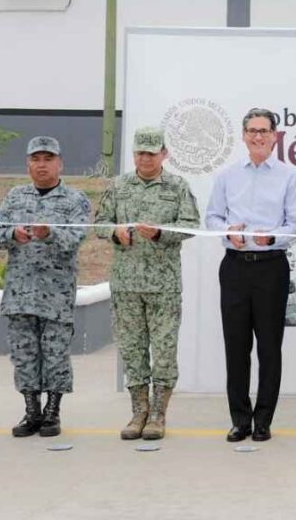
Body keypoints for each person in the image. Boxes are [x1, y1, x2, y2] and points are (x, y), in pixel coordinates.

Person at [94, 127, 201, 440]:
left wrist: (160, 233)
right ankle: (138, 411)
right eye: (140, 152)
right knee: (132, 350)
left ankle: (158, 414)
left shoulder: (177, 186)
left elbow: (192, 226)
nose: (145, 158)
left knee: (164, 352)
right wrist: (115, 233)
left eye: (151, 153)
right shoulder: (119, 186)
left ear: (164, 154)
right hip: (126, 284)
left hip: (163, 285)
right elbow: (99, 223)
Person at [206, 108, 296, 443]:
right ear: (244, 136)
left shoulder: (289, 177)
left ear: (275, 136)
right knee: (236, 347)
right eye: (252, 130)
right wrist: (226, 232)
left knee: (269, 348)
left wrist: (273, 237)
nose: (258, 136)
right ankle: (239, 420)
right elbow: (213, 217)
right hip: (234, 266)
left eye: (264, 130)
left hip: (271, 267)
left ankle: (263, 420)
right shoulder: (227, 176)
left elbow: (295, 225)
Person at [0, 137, 90, 438]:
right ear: (28, 164)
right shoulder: (15, 196)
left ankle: (52, 411)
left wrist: (50, 233)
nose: (42, 165)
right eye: (36, 159)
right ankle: (31, 410)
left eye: (48, 159)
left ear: (60, 163)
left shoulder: (75, 200)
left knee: (55, 353)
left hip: (56, 292)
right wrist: (13, 234)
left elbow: (77, 239)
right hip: (20, 291)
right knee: (24, 353)